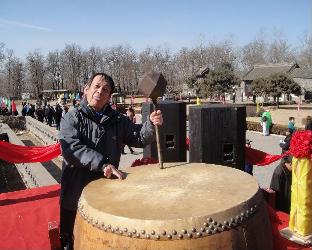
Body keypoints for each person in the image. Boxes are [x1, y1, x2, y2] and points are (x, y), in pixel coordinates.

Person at [58, 72, 163, 250]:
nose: (100, 91)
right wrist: (103, 164)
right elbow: (71, 149)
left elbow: (138, 137)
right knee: (72, 241)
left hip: (107, 195)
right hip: (75, 194)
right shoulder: (72, 117)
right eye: (96, 86)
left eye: (105, 89)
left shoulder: (118, 120)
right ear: (86, 89)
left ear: (109, 96)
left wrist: (151, 124)